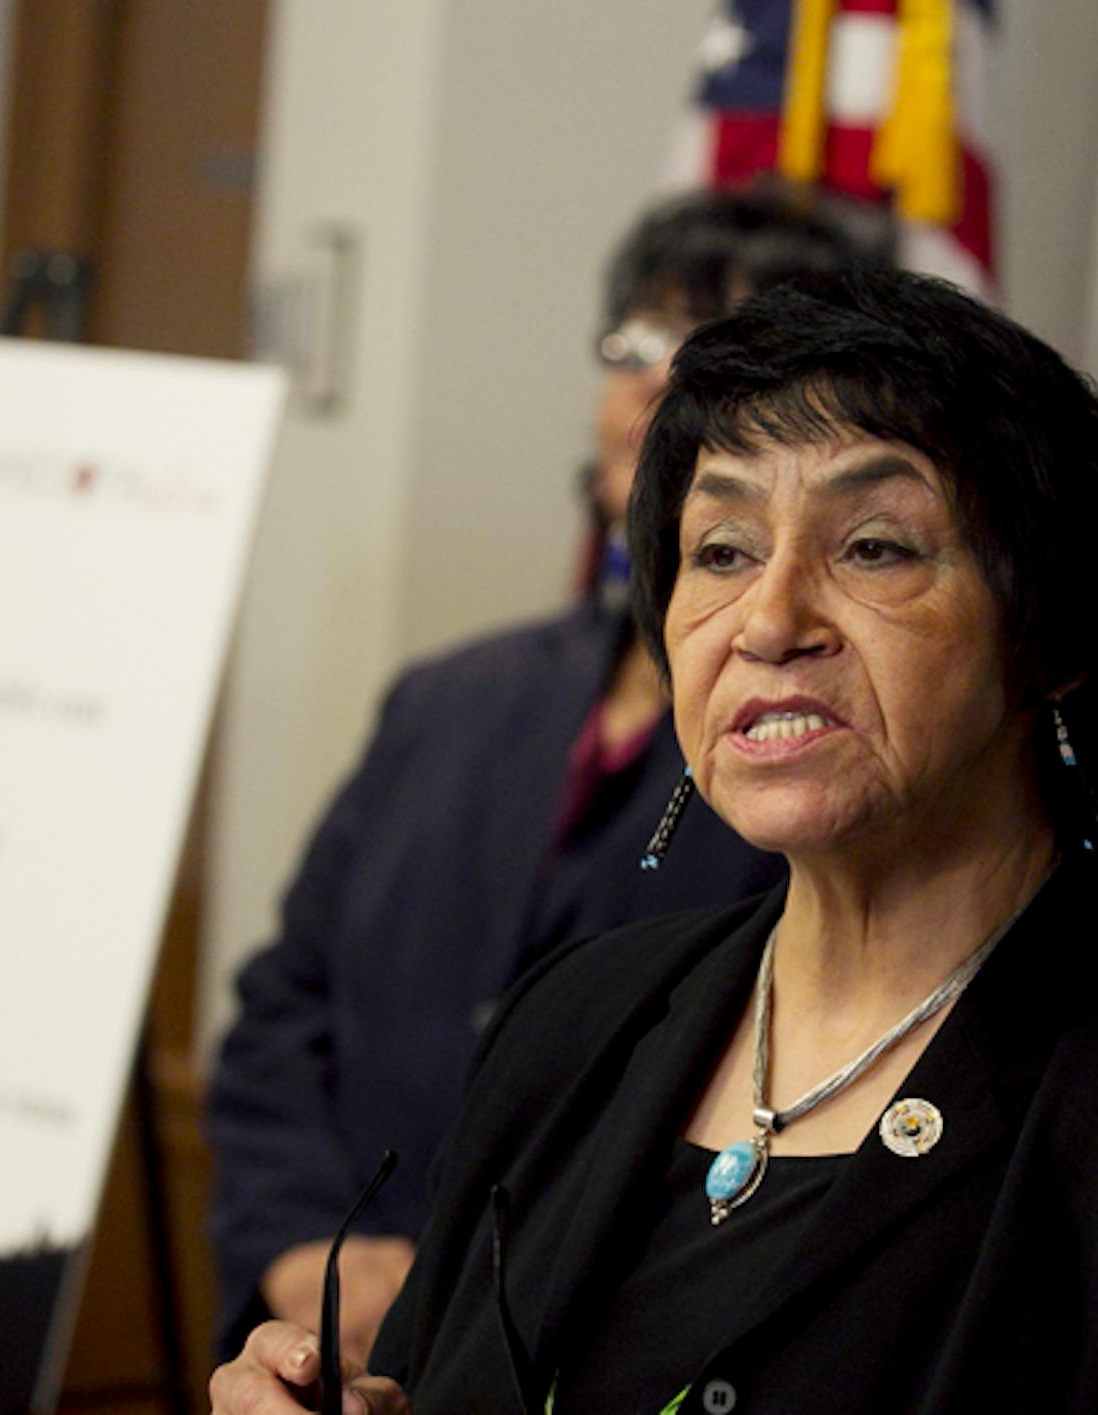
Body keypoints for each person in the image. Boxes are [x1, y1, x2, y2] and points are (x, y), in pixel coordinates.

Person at [210, 268, 1098, 1414]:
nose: (770, 618)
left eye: (874, 545)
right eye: (721, 551)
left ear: (1054, 634)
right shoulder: (573, 1024)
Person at [205, 187, 890, 1363]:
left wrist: (466, 1311)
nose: (648, 382)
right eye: (633, 343)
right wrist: (308, 1245)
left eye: (707, 351)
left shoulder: (818, 765)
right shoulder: (448, 699)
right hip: (320, 1348)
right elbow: (283, 1005)